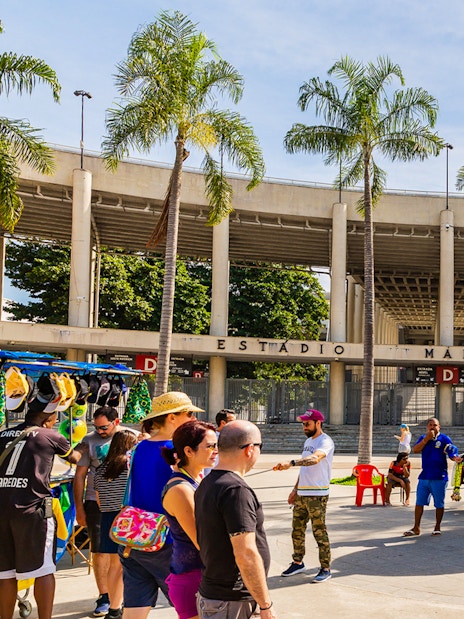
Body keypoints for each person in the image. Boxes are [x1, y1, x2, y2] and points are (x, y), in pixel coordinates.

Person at [119, 391, 203, 619]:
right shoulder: (175, 452)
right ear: (171, 417)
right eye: (188, 414)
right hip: (167, 541)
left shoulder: (139, 448)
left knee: (134, 610)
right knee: (191, 610)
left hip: (134, 537)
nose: (192, 419)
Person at [0, 409, 86, 619]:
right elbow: (76, 458)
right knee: (43, 570)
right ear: (49, 420)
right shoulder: (51, 436)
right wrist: (84, 447)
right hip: (33, 510)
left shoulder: (2, 435)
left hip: (2, 509)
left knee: (5, 573)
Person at [195, 420, 277, 619]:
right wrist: (266, 605)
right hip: (230, 600)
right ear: (249, 449)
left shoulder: (209, 482)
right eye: (260, 446)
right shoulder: (235, 491)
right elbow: (246, 553)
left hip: (218, 596)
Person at [161, 420, 218, 619]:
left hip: (202, 575)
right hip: (192, 579)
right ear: (188, 451)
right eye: (210, 446)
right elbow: (203, 541)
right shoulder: (181, 489)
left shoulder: (196, 480)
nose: (216, 450)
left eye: (216, 444)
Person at [73, 405, 125, 617]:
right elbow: (79, 476)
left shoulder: (130, 438)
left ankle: (117, 598)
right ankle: (104, 596)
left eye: (104, 427)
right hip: (96, 503)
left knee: (119, 554)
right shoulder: (89, 440)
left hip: (124, 503)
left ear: (116, 422)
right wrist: (79, 507)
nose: (100, 431)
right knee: (100, 551)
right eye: (97, 427)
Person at [273, 409, 334, 583]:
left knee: (319, 531)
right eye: (303, 424)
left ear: (318, 423)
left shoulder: (325, 441)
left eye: (307, 423)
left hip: (317, 494)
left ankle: (325, 568)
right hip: (302, 492)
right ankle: (297, 562)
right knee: (297, 530)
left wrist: (291, 462)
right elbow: (305, 468)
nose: (304, 427)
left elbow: (315, 459)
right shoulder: (308, 441)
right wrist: (295, 490)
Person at [94, 430, 138, 619]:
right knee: (130, 566)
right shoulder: (130, 466)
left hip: (107, 518)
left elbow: (98, 499)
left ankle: (113, 606)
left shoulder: (101, 468)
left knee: (114, 565)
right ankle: (126, 605)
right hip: (127, 518)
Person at [403, 417, 462, 537]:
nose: (432, 427)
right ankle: (416, 528)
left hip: (439, 477)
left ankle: (437, 527)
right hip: (424, 477)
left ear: (439, 427)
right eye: (430, 425)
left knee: (439, 504)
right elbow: (415, 450)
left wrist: (455, 458)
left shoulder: (444, 439)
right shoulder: (423, 438)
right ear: (427, 427)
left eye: (434, 425)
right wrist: (426, 439)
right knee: (419, 502)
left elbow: (452, 452)